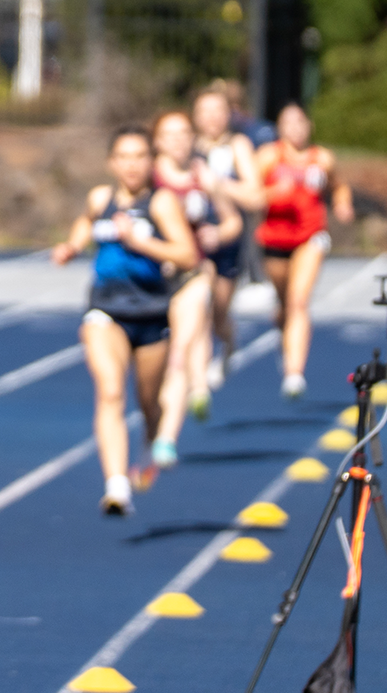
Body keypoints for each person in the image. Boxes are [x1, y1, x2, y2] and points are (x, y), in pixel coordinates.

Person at [52, 125, 201, 515]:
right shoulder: (101, 198)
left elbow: (188, 255)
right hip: (105, 310)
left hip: (151, 314)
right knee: (111, 391)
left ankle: (151, 440)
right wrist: (72, 246)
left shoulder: (162, 203)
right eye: (124, 157)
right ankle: (116, 486)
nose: (132, 165)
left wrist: (139, 241)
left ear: (151, 161)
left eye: (140, 157)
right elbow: (85, 222)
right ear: (111, 162)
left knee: (149, 402)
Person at [151, 109, 242, 436]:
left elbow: (233, 221)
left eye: (184, 133)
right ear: (157, 141)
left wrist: (218, 234)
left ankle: (177, 422)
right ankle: (184, 395)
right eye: (170, 134)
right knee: (163, 350)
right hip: (155, 276)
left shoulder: (203, 176)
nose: (177, 141)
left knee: (186, 339)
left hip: (196, 271)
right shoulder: (147, 178)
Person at [256, 104, 353, 400]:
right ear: (280, 128)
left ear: (309, 126)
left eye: (301, 123)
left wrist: (341, 203)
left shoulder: (321, 159)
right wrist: (274, 193)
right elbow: (249, 195)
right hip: (274, 238)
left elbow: (339, 186)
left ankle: (294, 373)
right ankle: (282, 330)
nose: (296, 129)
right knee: (285, 303)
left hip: (310, 236)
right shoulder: (268, 157)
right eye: (289, 123)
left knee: (299, 301)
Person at [192, 86, 265, 387]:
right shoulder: (187, 147)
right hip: (192, 239)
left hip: (228, 240)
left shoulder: (238, 146)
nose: (212, 119)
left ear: (229, 114)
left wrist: (218, 184)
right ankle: (196, 372)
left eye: (218, 111)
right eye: (205, 112)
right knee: (197, 305)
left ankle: (226, 342)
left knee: (218, 312)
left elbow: (256, 197)